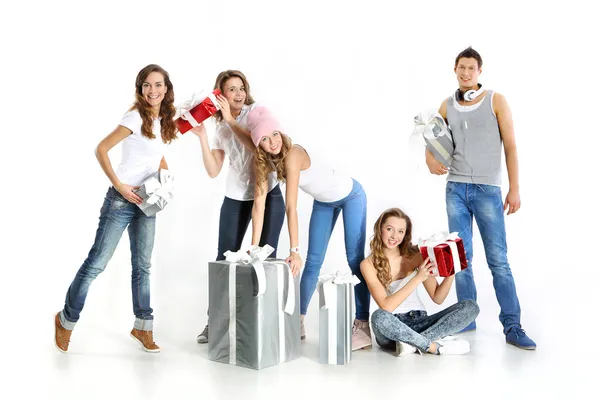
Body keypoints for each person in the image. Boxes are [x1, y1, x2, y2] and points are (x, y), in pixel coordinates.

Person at [54, 64, 178, 353]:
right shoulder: (134, 117)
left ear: (166, 88)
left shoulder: (162, 119)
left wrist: (165, 180)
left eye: (158, 85)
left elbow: (156, 156)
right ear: (140, 88)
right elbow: (101, 149)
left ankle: (142, 326)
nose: (153, 90)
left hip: (147, 201)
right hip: (121, 201)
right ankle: (66, 320)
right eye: (147, 85)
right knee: (96, 263)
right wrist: (120, 185)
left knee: (143, 266)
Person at [425, 46, 536, 349]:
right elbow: (431, 140)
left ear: (480, 72)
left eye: (471, 68)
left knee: (499, 261)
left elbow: (511, 146)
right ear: (455, 69)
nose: (465, 72)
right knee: (462, 260)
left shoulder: (496, 100)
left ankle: (512, 326)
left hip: (489, 190)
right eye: (461, 67)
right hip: (456, 189)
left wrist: (514, 188)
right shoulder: (447, 105)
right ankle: (466, 318)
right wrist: (429, 160)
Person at [247, 106, 372, 351]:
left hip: (350, 195)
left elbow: (291, 206)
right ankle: (299, 321)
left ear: (281, 133)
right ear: (258, 144)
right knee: (314, 261)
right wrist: (253, 248)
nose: (272, 141)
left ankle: (363, 323)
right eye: (264, 138)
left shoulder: (293, 153)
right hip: (324, 202)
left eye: (274, 134)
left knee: (355, 259)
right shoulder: (266, 163)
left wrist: (294, 249)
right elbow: (258, 206)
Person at [192, 71, 285, 344]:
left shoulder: (256, 113)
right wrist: (202, 137)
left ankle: (263, 323)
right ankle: (215, 322)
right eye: (232, 89)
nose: (238, 93)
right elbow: (213, 170)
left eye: (241, 88)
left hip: (269, 194)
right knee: (224, 260)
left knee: (265, 260)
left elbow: (258, 147)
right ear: (220, 93)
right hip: (235, 196)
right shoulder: (221, 128)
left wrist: (232, 120)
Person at [361, 208, 479, 356]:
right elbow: (386, 306)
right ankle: (431, 346)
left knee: (470, 306)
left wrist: (452, 271)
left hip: (421, 321)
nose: (394, 236)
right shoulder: (368, 264)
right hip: (391, 326)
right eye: (389, 229)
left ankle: (410, 345)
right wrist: (418, 278)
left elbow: (438, 298)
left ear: (405, 234)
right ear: (380, 229)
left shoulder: (416, 256)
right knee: (378, 317)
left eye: (400, 231)